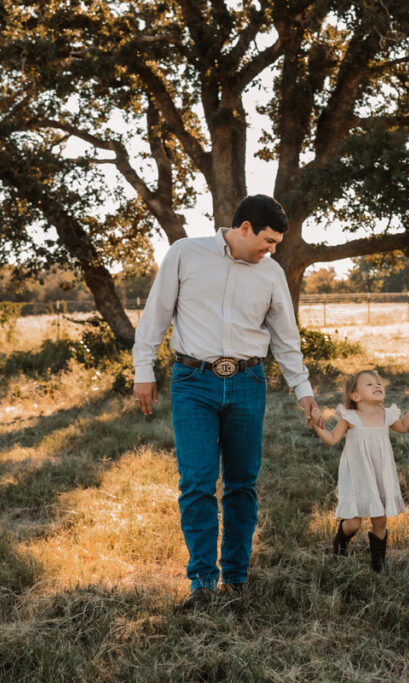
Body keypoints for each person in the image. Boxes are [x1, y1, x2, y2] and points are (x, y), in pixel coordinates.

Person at [131, 194, 319, 611]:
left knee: (241, 484)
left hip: (249, 382)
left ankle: (234, 579)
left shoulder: (270, 273)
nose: (271, 251)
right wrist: (143, 370)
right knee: (196, 482)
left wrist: (302, 390)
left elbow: (287, 339)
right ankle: (201, 582)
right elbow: (155, 314)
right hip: (193, 381)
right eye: (267, 241)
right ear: (245, 228)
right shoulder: (185, 254)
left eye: (276, 245)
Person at [310, 369, 409, 572]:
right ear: (355, 396)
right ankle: (341, 541)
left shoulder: (386, 414)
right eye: (369, 384)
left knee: (380, 519)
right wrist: (317, 426)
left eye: (378, 383)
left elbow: (404, 426)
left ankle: (379, 563)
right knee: (354, 523)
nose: (377, 385)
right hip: (357, 476)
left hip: (379, 474)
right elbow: (332, 439)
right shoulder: (350, 417)